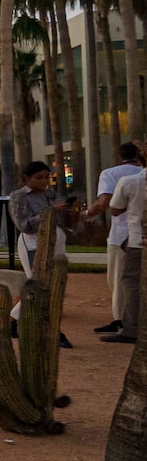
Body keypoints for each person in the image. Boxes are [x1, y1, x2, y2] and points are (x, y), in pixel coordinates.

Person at [7, 161, 76, 348]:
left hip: (56, 242)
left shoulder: (52, 195)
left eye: (47, 177)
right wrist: (49, 212)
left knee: (53, 284)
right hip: (34, 243)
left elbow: (64, 222)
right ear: (27, 178)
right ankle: (50, 329)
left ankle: (15, 321)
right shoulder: (19, 196)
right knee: (39, 283)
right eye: (39, 177)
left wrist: (69, 213)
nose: (44, 181)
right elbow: (23, 224)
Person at [91, 143, 144, 334]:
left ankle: (122, 320)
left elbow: (108, 204)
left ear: (119, 155)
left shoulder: (112, 174)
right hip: (139, 233)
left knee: (120, 278)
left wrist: (88, 213)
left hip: (122, 233)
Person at [103, 167, 145, 344]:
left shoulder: (130, 181)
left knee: (131, 283)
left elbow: (116, 208)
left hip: (138, 241)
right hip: (136, 238)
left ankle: (132, 329)